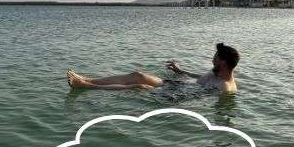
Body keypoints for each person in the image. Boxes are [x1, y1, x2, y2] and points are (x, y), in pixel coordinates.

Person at [67, 43, 240, 93]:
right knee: (138, 74)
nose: (213, 58)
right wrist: (180, 71)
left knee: (139, 86)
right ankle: (87, 78)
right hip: (175, 85)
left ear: (223, 62)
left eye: (216, 56)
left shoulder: (224, 87)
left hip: (176, 95)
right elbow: (200, 77)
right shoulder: (216, 73)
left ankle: (85, 86)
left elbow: (200, 97)